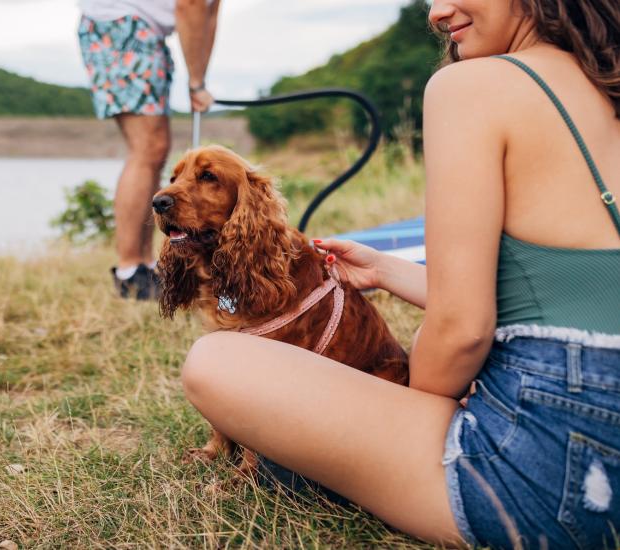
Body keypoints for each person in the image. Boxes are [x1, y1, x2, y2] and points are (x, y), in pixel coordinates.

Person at [178, 0, 620, 547]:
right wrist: (387, 270)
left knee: (215, 359)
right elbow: (572, 293)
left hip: (545, 478)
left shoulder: (472, 86)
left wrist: (414, 410)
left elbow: (464, 330)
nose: (436, 12)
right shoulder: (608, 83)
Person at [77, 0, 219, 300]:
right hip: (120, 25)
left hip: (138, 29)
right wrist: (195, 84)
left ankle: (146, 266)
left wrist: (199, 80)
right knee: (147, 149)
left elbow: (209, 12)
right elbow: (190, 4)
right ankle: (130, 270)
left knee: (154, 151)